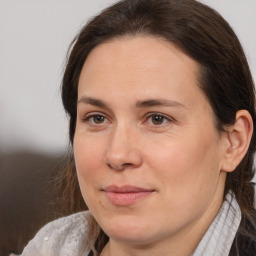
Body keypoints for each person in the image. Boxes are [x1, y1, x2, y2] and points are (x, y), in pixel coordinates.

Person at [18, 0, 256, 255]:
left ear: (234, 142)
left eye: (157, 119)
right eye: (97, 118)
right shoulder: (50, 248)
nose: (118, 155)